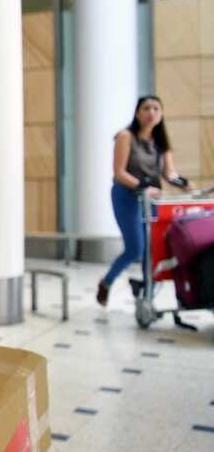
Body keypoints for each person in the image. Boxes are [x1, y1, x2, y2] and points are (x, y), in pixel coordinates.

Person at [97, 96, 182, 306]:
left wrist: (186, 185)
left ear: (161, 115)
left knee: (153, 248)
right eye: (146, 108)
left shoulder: (161, 143)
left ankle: (146, 294)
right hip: (127, 196)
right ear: (137, 113)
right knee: (136, 248)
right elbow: (119, 173)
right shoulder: (126, 137)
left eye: (156, 109)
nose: (151, 112)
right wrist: (143, 187)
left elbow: (170, 174)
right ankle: (106, 282)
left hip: (151, 199)